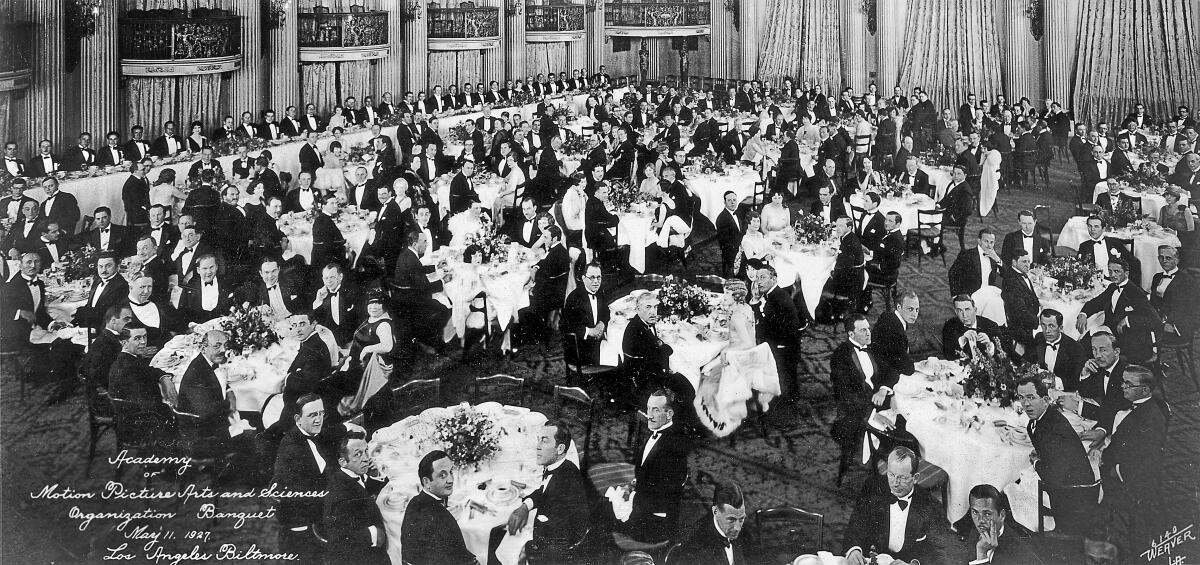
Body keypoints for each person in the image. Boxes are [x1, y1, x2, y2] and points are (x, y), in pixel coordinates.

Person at [1090, 365, 1169, 553]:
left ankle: (1103, 535)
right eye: (1123, 381)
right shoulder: (1138, 406)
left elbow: (1147, 459)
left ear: (1145, 390)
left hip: (1131, 482)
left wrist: (1115, 469)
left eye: (1128, 384)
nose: (1123, 386)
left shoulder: (1150, 418)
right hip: (1120, 465)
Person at [1015, 378, 1097, 537]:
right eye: (1021, 397)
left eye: (1031, 397)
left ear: (1045, 400)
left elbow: (1052, 475)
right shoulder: (1038, 421)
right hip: (1062, 476)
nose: (1025, 404)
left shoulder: (1054, 426)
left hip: (1072, 492)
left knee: (1017, 487)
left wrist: (1036, 462)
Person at [500, 421, 589, 563]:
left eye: (544, 440)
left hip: (553, 553)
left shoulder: (565, 484)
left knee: (503, 549)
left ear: (560, 449)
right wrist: (525, 506)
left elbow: (558, 542)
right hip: (547, 535)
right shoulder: (561, 466)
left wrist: (528, 549)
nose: (538, 446)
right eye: (538, 439)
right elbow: (544, 490)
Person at [842, 447, 938, 564]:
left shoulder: (929, 502)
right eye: (891, 475)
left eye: (902, 478)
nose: (895, 483)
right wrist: (854, 550)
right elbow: (855, 525)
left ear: (915, 478)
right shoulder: (872, 487)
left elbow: (940, 549)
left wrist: (914, 564)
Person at [273, 394, 337, 565]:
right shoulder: (291, 450)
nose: (319, 420)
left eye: (321, 413)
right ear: (297, 419)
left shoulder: (310, 433)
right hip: (306, 522)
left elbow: (329, 433)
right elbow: (301, 499)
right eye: (312, 415)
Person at [830, 314, 894, 481]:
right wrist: (873, 414)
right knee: (890, 429)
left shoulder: (872, 346)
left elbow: (891, 370)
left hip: (876, 400)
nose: (868, 333)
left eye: (868, 328)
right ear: (851, 334)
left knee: (905, 417)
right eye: (863, 330)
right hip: (855, 411)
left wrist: (883, 389)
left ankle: (894, 467)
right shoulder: (840, 357)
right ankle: (880, 475)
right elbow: (846, 396)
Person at [626, 389, 692, 543]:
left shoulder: (674, 445)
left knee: (602, 516)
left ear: (669, 414)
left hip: (655, 521)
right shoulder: (660, 430)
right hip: (645, 502)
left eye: (655, 410)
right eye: (648, 408)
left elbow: (666, 493)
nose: (649, 415)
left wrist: (632, 498)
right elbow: (651, 474)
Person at [400, 450, 478, 565]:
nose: (451, 479)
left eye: (451, 472)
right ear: (426, 482)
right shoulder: (436, 517)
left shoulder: (415, 501)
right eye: (442, 475)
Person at [1075, 258, 1160, 363]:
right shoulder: (1112, 287)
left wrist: (1128, 320)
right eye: (1110, 271)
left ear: (1126, 273)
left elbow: (1154, 319)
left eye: (1117, 271)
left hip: (1132, 341)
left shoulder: (1136, 293)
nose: (1112, 275)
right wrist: (1083, 314)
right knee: (1081, 344)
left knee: (1091, 348)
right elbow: (1096, 302)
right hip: (1113, 332)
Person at [322, 437, 389, 565]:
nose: (366, 458)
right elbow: (339, 539)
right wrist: (374, 533)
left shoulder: (348, 475)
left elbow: (362, 494)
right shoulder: (340, 493)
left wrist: (374, 476)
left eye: (366, 451)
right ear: (342, 461)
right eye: (358, 454)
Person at [667, 481, 752, 565]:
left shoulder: (747, 535)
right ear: (715, 511)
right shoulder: (692, 545)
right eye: (731, 520)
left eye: (741, 519)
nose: (738, 528)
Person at [954, 484, 1041, 564]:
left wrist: (982, 555)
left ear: (1002, 515)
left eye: (987, 514)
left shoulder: (1020, 553)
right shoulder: (967, 533)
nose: (980, 520)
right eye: (975, 512)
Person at [176, 330, 237, 441]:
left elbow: (220, 382)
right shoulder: (196, 373)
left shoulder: (207, 361)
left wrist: (229, 392)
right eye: (217, 346)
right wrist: (229, 404)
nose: (223, 350)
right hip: (204, 435)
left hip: (212, 424)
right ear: (203, 348)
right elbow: (206, 412)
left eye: (225, 345)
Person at [343, 294, 395, 414]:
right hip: (356, 363)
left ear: (384, 306)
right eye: (371, 303)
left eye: (378, 303)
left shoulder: (383, 324)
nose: (374, 307)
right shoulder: (371, 319)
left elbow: (387, 346)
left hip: (370, 370)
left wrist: (367, 349)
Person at [755, 265, 801, 397]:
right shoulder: (775, 294)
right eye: (757, 278)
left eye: (762, 277)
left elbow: (767, 328)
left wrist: (755, 307)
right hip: (785, 343)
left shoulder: (777, 298)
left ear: (774, 279)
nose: (758, 281)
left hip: (784, 348)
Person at [561, 262, 608, 366]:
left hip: (598, 341)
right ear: (583, 278)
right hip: (581, 347)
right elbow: (566, 326)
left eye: (598, 277)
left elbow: (606, 311)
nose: (596, 281)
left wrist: (602, 324)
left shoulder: (600, 292)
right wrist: (589, 331)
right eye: (591, 277)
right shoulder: (574, 298)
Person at [1032, 309, 1086, 391]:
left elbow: (1075, 381)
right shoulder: (1039, 337)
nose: (1047, 331)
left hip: (1062, 393)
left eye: (1051, 326)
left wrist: (1054, 382)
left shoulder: (1075, 348)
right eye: (1043, 325)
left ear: (1060, 328)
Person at [871, 290, 918, 383]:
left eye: (917, 309)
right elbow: (907, 368)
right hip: (882, 374)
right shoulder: (895, 329)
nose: (914, 314)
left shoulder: (888, 315)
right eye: (910, 309)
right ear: (899, 307)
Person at [942, 294, 1004, 360]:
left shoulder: (991, 325)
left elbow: (1003, 355)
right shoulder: (950, 326)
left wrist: (990, 345)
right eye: (960, 310)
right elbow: (948, 355)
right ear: (956, 312)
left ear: (975, 310)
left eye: (967, 309)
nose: (964, 315)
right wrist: (962, 340)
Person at [1001, 250, 1040, 353]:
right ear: (1014, 262)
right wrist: (1038, 322)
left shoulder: (1021, 274)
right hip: (1021, 327)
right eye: (1024, 262)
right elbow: (1020, 311)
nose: (1028, 265)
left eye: (1029, 262)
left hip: (1030, 318)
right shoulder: (1011, 281)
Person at [178, 254, 234, 323]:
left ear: (216, 267)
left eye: (211, 267)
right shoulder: (190, 287)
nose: (208, 272)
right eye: (204, 268)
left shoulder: (226, 284)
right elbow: (183, 313)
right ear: (198, 270)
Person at [949, 228, 1002, 296]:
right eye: (986, 241)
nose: (989, 245)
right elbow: (953, 274)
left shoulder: (995, 257)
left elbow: (1007, 275)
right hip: (971, 296)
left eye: (991, 242)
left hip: (989, 296)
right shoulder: (967, 255)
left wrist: (998, 260)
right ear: (979, 241)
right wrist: (956, 296)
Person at [715, 190, 744, 278]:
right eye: (729, 200)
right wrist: (739, 249)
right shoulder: (722, 218)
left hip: (740, 246)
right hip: (731, 251)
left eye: (734, 200)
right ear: (724, 202)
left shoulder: (738, 213)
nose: (732, 203)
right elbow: (724, 241)